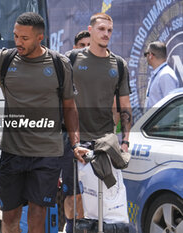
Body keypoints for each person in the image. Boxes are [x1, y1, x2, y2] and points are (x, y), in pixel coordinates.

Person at [0, 12, 89, 233]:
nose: (18, 42)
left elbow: (70, 106)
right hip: (13, 152)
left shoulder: (60, 64)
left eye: (24, 38)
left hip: (47, 154)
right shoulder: (4, 59)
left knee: (37, 214)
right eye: (16, 36)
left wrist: (75, 142)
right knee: (10, 216)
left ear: (40, 38)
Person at [62, 13, 132, 233]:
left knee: (104, 202)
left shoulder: (119, 64)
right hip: (73, 140)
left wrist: (126, 142)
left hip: (105, 142)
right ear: (90, 30)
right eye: (101, 29)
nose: (106, 34)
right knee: (73, 198)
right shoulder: (71, 59)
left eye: (109, 30)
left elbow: (125, 106)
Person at [60, 29, 91, 232]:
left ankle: (80, 227)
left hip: (94, 138)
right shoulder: (63, 72)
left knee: (89, 194)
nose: (86, 50)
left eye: (90, 46)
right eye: (82, 46)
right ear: (74, 48)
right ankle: (71, 227)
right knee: (71, 192)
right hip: (68, 138)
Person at [144, 41, 179, 109]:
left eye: (146, 54)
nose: (146, 57)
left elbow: (171, 106)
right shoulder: (160, 74)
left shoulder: (165, 75)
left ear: (151, 55)